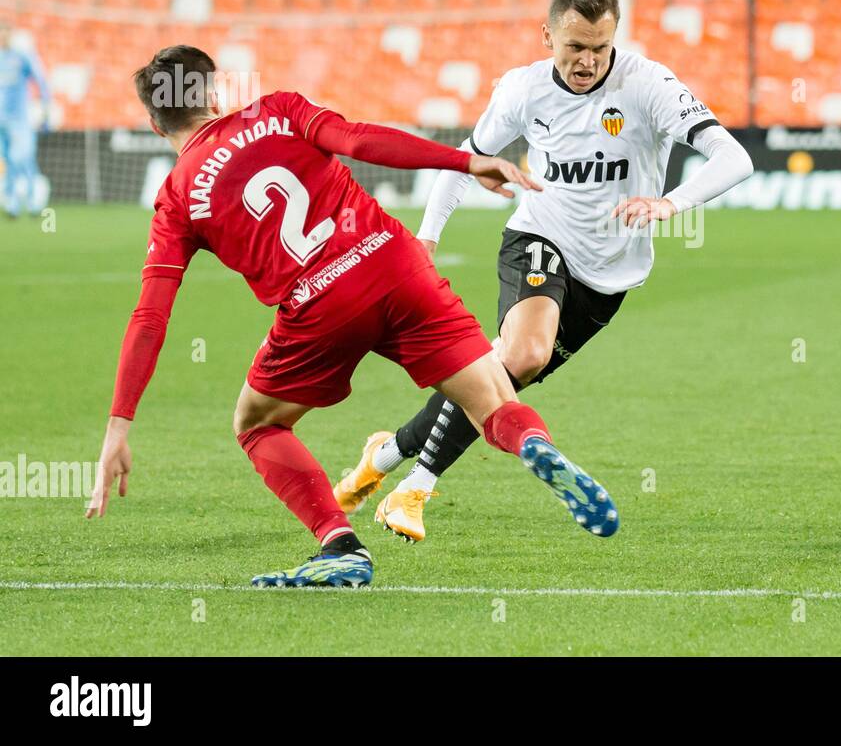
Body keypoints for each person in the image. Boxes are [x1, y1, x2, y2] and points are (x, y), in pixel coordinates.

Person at [85, 45, 621, 589]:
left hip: (320, 305)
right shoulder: (277, 109)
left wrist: (118, 427)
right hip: (395, 262)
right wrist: (464, 161)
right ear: (214, 96)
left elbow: (150, 317)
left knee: (257, 424)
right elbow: (360, 139)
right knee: (494, 403)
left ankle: (340, 545)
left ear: (155, 124)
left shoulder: (177, 198)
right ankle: (533, 445)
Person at [333, 0, 753, 541]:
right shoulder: (523, 89)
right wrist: (428, 237)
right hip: (539, 236)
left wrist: (670, 203)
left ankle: (384, 456)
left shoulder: (648, 84)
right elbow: (467, 160)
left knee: (497, 379)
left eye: (601, 47)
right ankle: (414, 490)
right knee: (523, 354)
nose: (588, 61)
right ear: (547, 36)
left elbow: (733, 157)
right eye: (575, 46)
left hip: (609, 276)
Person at [0, 21, 52, 218]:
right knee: (8, 160)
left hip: (19, 119)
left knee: (21, 157)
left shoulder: (22, 57)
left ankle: (32, 200)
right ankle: (12, 203)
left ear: (11, 35)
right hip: (1, 120)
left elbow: (41, 80)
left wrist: (46, 107)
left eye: (5, 32)